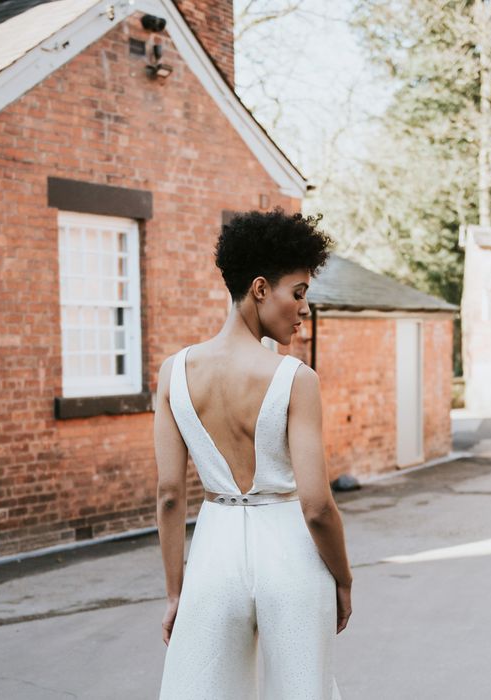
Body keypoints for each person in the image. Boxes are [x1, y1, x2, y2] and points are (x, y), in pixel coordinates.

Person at [153, 208, 352, 700]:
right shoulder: (294, 378)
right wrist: (344, 581)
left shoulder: (173, 373)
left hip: (214, 553)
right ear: (261, 289)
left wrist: (177, 591)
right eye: (298, 292)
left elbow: (169, 496)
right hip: (291, 554)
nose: (304, 309)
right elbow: (317, 507)